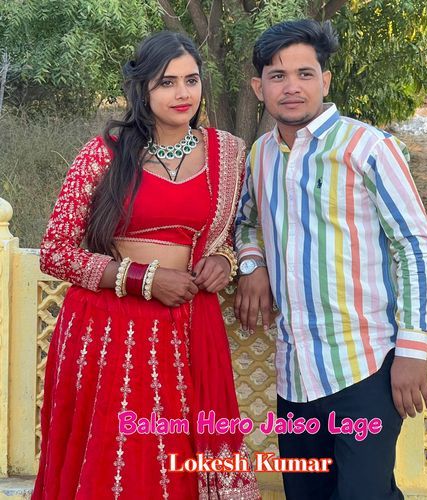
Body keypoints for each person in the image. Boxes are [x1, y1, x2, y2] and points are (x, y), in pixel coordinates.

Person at [33, 30, 260, 499]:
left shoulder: (229, 154)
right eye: (166, 82)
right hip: (109, 329)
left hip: (190, 326)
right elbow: (55, 250)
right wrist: (143, 279)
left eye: (191, 80)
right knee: (120, 462)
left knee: (179, 459)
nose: (182, 93)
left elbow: (236, 230)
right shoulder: (104, 154)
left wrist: (225, 260)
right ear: (142, 89)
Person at [234, 19, 427, 500]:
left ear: (325, 80)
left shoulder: (368, 147)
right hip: (295, 372)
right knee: (305, 494)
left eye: (305, 73)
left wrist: (412, 350)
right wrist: (251, 263)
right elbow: (245, 222)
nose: (292, 87)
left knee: (366, 493)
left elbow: (414, 244)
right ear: (259, 87)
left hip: (364, 366)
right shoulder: (261, 155)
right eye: (278, 75)